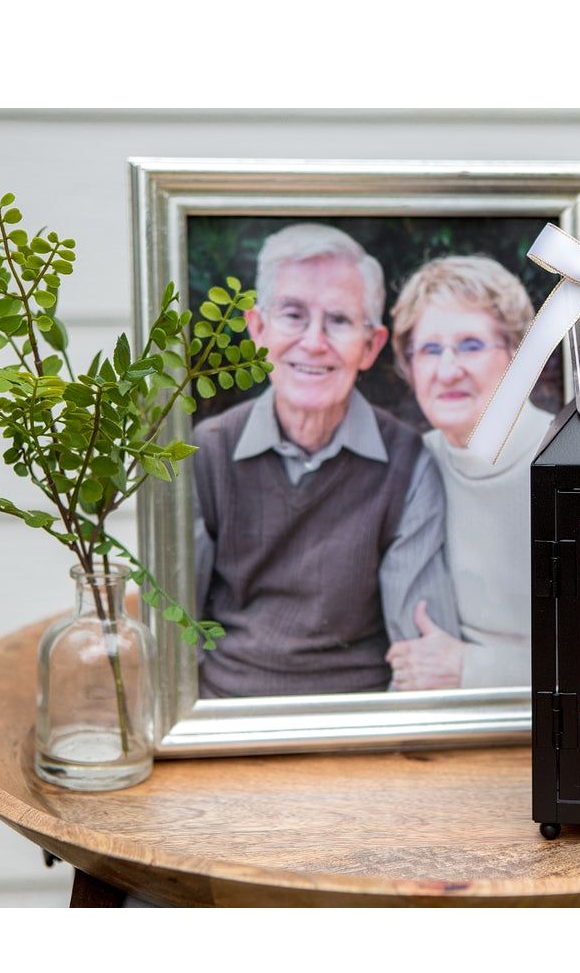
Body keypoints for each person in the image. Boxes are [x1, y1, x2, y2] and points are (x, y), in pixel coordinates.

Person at [192, 223, 459, 698]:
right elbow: (176, 628)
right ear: (258, 329)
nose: (314, 342)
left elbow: (417, 646)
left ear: (371, 346)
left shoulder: (408, 463)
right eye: (293, 315)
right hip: (224, 714)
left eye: (338, 320)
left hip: (358, 721)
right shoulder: (207, 450)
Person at [385, 255, 553, 690]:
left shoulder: (569, 461)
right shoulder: (411, 464)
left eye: (471, 345)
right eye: (429, 349)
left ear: (518, 356)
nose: (447, 370)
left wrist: (469, 669)